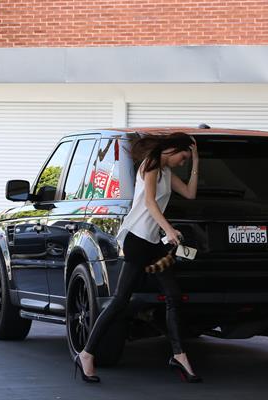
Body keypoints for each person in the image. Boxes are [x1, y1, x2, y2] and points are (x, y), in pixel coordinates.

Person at [74, 131, 201, 383]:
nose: (183, 162)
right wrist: (168, 229)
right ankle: (86, 354)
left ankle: (179, 355)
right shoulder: (151, 165)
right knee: (121, 301)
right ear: (172, 150)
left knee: (173, 296)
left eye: (187, 159)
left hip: (152, 242)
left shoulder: (166, 171)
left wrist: (197, 160)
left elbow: (189, 193)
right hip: (137, 240)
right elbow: (151, 203)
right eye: (183, 158)